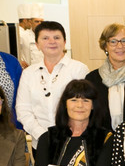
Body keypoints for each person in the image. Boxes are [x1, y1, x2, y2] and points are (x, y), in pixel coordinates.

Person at [15, 21, 88, 150]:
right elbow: (23, 109)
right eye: (45, 38)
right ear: (37, 44)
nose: (52, 42)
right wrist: (42, 135)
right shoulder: (28, 73)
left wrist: (70, 133)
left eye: (56, 37)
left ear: (64, 42)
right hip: (40, 142)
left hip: (73, 140)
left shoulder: (79, 69)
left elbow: (84, 106)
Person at [85, 23, 125, 131]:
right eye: (113, 41)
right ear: (105, 46)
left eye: (124, 41)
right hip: (102, 138)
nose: (120, 46)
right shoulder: (92, 79)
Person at [15, 2, 44, 68]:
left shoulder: (46, 37)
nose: (39, 24)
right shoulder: (23, 36)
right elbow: (15, 52)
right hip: (28, 70)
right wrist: (20, 61)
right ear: (31, 22)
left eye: (41, 22)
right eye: (37, 21)